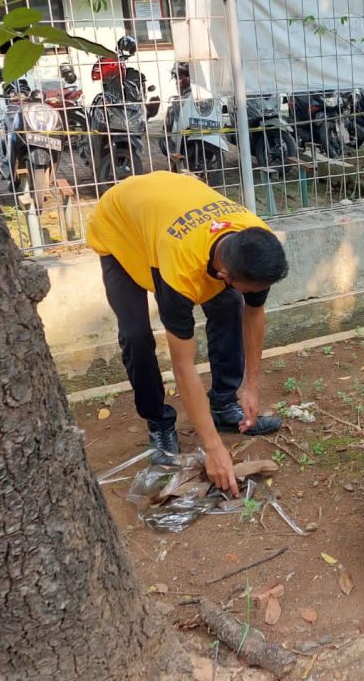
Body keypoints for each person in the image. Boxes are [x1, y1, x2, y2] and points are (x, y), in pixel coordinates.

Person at [87, 171, 288, 493]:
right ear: (224, 274)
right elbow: (184, 366)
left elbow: (254, 311)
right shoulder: (179, 271)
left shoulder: (255, 240)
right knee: (136, 334)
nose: (256, 293)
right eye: (248, 286)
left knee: (230, 305)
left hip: (167, 206)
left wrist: (251, 387)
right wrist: (213, 449)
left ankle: (224, 405)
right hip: (121, 225)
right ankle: (159, 421)